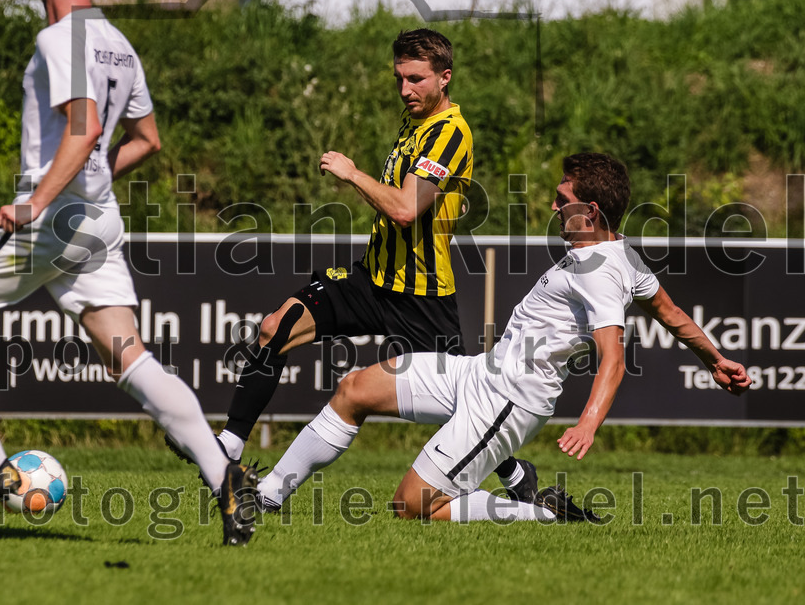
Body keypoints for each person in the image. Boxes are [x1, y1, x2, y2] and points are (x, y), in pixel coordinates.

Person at [0, 0, 258, 545]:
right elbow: (146, 139)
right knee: (132, 359)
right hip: (98, 219)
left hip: (50, 220)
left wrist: (36, 202)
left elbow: (87, 129)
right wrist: (91, 175)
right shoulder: (120, 46)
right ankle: (223, 478)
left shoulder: (58, 39)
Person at [255, 153, 752, 523]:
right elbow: (671, 312)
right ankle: (268, 494)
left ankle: (545, 514)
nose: (554, 206)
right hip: (480, 373)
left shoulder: (600, 271)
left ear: (591, 210)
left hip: (510, 401)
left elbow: (614, 359)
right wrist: (715, 359)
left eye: (563, 199)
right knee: (355, 389)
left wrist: (588, 424)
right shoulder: (621, 253)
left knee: (411, 508)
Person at [199, 28, 536, 503]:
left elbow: (403, 208)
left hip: (421, 293)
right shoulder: (414, 121)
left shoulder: (450, 132)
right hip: (372, 278)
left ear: (445, 77)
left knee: (465, 403)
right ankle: (228, 447)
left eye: (416, 79)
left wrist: (352, 172)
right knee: (278, 326)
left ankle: (518, 480)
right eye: (399, 78)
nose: (405, 90)